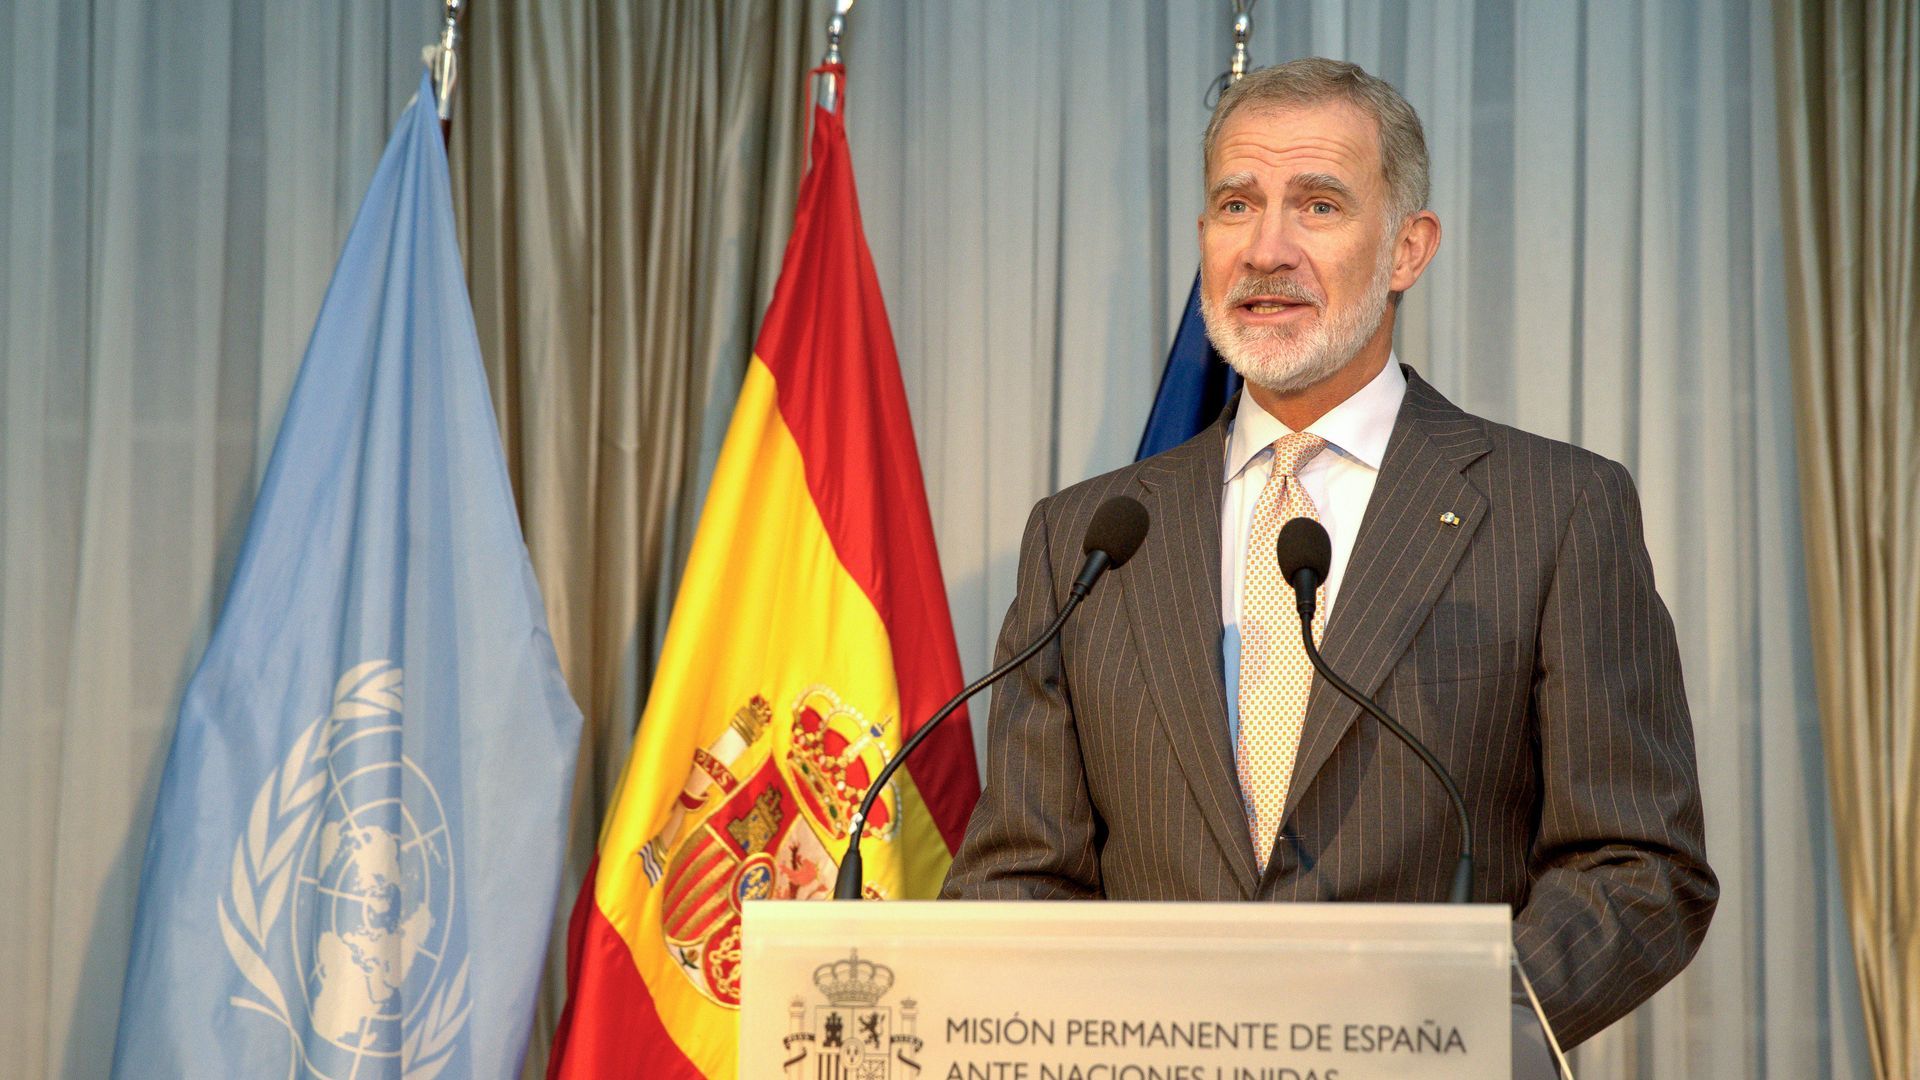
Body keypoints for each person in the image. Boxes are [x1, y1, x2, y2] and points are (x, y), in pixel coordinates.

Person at [941, 57, 1718, 1062]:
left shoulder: (1558, 509)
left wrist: (1446, 1030)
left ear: (1407, 249)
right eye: (1235, 204)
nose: (1267, 249)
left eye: (1317, 205)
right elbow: (1019, 877)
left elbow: (1640, 862)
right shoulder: (1089, 536)